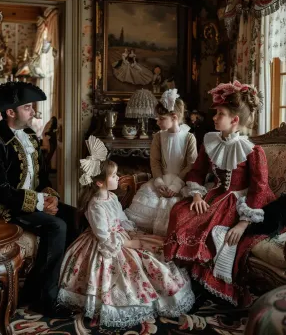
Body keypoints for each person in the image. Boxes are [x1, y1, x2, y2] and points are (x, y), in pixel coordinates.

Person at [57, 135, 195, 327]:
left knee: (153, 250)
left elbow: (121, 219)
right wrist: (128, 243)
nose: (118, 177)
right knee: (130, 265)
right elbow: (103, 235)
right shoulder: (96, 205)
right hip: (105, 244)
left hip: (120, 235)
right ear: (99, 182)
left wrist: (131, 233)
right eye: (113, 176)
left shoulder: (112, 198)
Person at [164, 80, 276, 306]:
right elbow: (196, 172)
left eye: (220, 114)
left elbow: (259, 189)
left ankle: (201, 285)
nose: (214, 118)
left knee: (204, 226)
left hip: (239, 202)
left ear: (234, 120)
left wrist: (244, 222)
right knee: (180, 211)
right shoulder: (210, 141)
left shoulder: (253, 151)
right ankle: (183, 278)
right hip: (212, 195)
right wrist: (196, 194)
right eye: (215, 113)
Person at [0, 81, 77, 317]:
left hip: (34, 203)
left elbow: (42, 179)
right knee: (57, 226)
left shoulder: (30, 137)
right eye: (28, 108)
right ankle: (47, 300)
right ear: (11, 112)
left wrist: (50, 198)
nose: (33, 112)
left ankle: (35, 288)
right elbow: (0, 192)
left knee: (73, 216)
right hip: (8, 210)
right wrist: (40, 203)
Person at [125, 89, 197, 236]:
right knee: (147, 202)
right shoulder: (158, 137)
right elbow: (155, 162)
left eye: (161, 119)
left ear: (174, 117)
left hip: (181, 183)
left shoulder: (189, 138)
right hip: (161, 182)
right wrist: (160, 183)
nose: (157, 122)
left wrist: (176, 186)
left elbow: (191, 164)